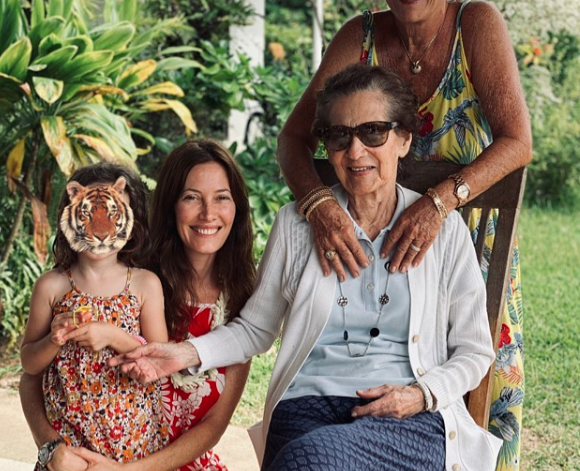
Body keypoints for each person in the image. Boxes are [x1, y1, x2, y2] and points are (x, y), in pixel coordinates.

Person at [111, 64, 503, 471]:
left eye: (373, 132)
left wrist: (421, 395)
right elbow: (255, 329)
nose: (355, 151)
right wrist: (182, 354)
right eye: (339, 136)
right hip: (304, 409)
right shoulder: (297, 224)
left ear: (403, 139)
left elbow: (475, 352)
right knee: (307, 455)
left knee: (305, 459)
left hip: (407, 418)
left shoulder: (442, 229)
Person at [276, 0, 532, 469]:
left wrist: (440, 203)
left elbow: (518, 140)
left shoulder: (477, 25)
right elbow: (295, 139)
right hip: (371, 254)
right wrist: (318, 203)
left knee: (479, 394)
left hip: (462, 246)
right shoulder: (358, 38)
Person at [20, 140, 257, 471]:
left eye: (222, 197)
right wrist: (53, 449)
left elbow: (213, 427)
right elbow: (31, 373)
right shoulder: (126, 270)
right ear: (170, 204)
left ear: (238, 208)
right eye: (191, 197)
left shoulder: (244, 305)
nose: (207, 213)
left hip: (151, 461)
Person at [20, 162, 169, 469]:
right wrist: (53, 339)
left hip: (132, 450)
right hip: (68, 455)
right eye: (88, 214)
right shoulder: (52, 286)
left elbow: (161, 361)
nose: (101, 230)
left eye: (114, 214)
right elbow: (29, 365)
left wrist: (112, 335)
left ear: (132, 223)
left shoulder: (144, 284)